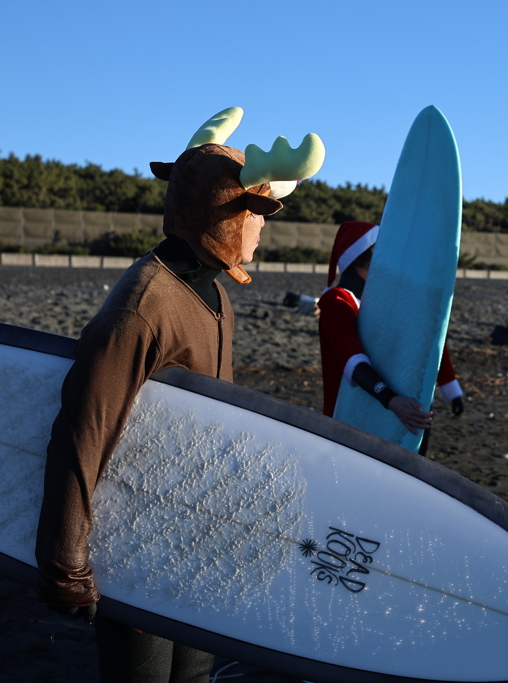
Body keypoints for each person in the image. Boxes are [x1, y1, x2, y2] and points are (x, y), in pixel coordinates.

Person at [34, 109, 324, 682]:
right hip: (135, 544)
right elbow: (82, 431)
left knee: (193, 678)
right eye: (256, 213)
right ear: (224, 214)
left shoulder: (216, 298)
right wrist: (65, 561)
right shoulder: (145, 303)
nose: (263, 228)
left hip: (195, 537)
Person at [318, 221, 460, 450]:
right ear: (358, 262)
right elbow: (351, 358)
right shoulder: (338, 302)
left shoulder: (384, 300)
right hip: (351, 422)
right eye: (381, 256)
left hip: (396, 416)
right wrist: (391, 400)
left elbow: (427, 340)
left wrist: (450, 387)